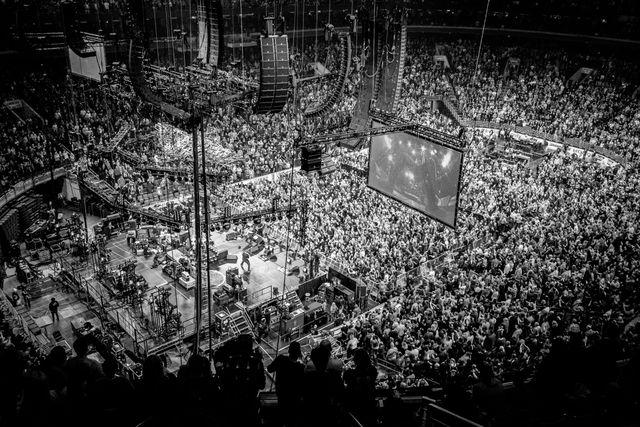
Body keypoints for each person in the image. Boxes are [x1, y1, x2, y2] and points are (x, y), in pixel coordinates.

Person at [219, 334, 265, 427]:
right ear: (251, 346)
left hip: (231, 408)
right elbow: (262, 385)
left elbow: (222, 383)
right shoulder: (257, 363)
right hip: (249, 406)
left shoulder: (229, 361)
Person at [267, 341, 304, 427]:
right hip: (295, 397)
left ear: (289, 351)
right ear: (299, 354)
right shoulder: (301, 368)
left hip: (281, 393)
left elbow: (269, 369)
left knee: (281, 414)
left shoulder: (281, 359)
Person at [343, 349, 379, 427]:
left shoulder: (349, 374)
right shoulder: (373, 371)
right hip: (369, 404)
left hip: (356, 405)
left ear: (356, 360)